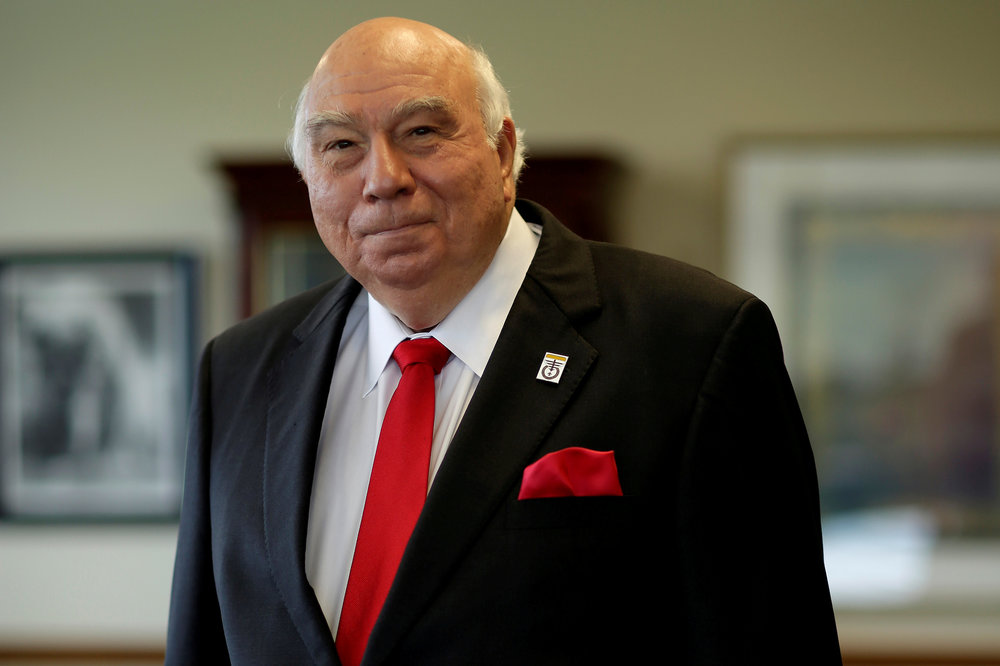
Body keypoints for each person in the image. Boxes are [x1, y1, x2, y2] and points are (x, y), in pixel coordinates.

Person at [166, 17, 841, 665]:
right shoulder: (238, 370)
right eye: (341, 146)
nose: (383, 179)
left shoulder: (694, 342)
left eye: (422, 132)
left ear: (503, 151)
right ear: (309, 177)